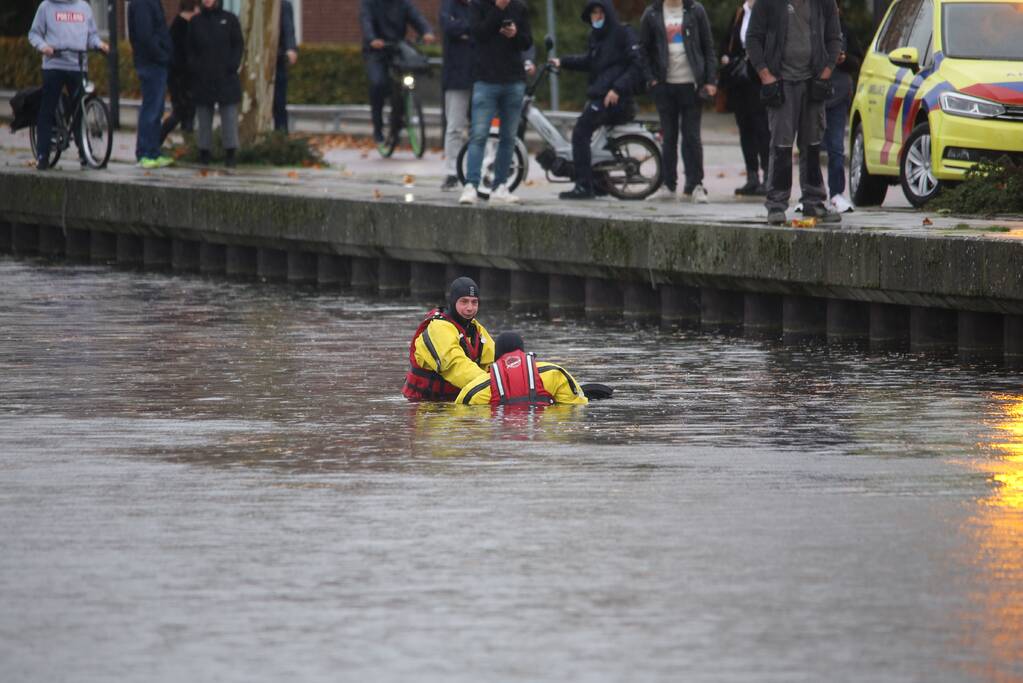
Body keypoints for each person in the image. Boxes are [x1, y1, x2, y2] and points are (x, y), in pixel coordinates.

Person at [745, 0, 843, 225]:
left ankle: (814, 201)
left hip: (814, 81)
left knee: (813, 144)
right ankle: (776, 204)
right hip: (781, 83)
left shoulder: (824, 3)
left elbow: (834, 37)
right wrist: (765, 74)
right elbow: (752, 39)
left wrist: (826, 71)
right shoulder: (767, 3)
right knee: (781, 145)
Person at [550, 0, 646, 200]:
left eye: (601, 12)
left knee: (580, 132)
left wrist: (617, 89)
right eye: (593, 13)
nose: (597, 17)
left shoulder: (623, 33)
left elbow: (637, 64)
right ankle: (598, 182)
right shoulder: (595, 37)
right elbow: (589, 61)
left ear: (608, 14)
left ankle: (584, 186)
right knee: (588, 135)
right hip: (601, 96)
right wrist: (562, 62)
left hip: (616, 99)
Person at [640, 0, 717, 203]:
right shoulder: (652, 13)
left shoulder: (695, 10)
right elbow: (644, 51)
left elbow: (708, 47)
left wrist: (710, 80)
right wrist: (652, 80)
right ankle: (668, 184)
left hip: (692, 85)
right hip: (665, 85)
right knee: (669, 137)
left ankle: (695, 185)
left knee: (692, 137)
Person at [459, 0, 533, 206]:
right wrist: (498, 10)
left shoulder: (520, 7)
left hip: (514, 80)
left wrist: (515, 34)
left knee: (509, 137)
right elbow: (478, 34)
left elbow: (527, 42)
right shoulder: (478, 5)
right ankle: (471, 185)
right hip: (485, 80)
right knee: (479, 135)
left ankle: (500, 186)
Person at [27, 0, 109, 171]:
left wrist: (99, 44)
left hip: (78, 65)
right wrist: (44, 47)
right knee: (48, 109)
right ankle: (43, 154)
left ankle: (85, 154)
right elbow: (34, 34)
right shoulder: (46, 7)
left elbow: (91, 35)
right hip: (54, 65)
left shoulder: (84, 7)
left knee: (81, 109)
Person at [402, 276, 496, 401]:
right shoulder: (438, 329)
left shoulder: (475, 329)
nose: (470, 308)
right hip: (426, 405)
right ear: (452, 301)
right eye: (464, 301)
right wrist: (494, 386)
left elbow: (494, 360)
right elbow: (455, 366)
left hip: (455, 401)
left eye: (474, 302)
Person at [359, 0, 436, 145]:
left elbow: (416, 17)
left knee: (404, 81)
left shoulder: (402, 3)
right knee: (378, 83)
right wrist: (372, 39)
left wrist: (426, 31)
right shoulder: (369, 3)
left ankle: (399, 116)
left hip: (396, 48)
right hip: (376, 51)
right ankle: (378, 127)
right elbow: (366, 20)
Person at [719, 0, 769, 196]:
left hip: (760, 81)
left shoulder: (768, 14)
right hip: (739, 83)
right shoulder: (739, 14)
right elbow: (726, 43)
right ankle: (752, 176)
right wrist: (725, 57)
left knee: (763, 129)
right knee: (745, 129)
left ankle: (768, 176)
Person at [456, 332, 589, 405]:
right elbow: (577, 405)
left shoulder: (474, 390)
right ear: (524, 353)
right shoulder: (554, 373)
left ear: (496, 357)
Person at [187, 0, 244, 167]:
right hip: (202, 79)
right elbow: (189, 49)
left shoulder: (230, 19)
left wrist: (232, 65)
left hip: (226, 78)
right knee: (204, 118)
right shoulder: (195, 22)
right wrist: (196, 67)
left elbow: (238, 45)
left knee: (229, 117)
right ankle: (204, 153)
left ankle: (230, 154)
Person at [822, 11, 863, 214]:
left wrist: (844, 59)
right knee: (808, 147)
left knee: (836, 147)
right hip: (813, 95)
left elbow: (857, 61)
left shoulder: (845, 29)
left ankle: (837, 193)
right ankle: (811, 194)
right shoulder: (809, 26)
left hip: (838, 96)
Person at [128, 0, 174, 168]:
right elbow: (145, 35)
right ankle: (145, 153)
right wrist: (162, 55)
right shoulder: (143, 3)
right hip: (151, 63)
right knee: (151, 109)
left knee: (156, 109)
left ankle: (153, 151)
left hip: (154, 62)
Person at [439, 0, 474, 191]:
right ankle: (452, 171)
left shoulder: (478, 5)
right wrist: (470, 29)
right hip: (456, 75)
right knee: (454, 126)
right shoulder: (448, 5)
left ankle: (477, 169)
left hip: (479, 74)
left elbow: (483, 29)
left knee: (480, 127)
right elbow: (448, 27)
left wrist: (464, 30)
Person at [160, 0, 200, 145]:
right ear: (194, 10)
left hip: (184, 78)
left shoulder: (182, 26)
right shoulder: (181, 28)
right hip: (180, 79)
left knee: (187, 113)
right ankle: (159, 138)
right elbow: (179, 57)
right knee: (181, 111)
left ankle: (188, 144)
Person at [273, 0, 298, 132]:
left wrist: (290, 48)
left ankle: (280, 138)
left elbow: (289, 29)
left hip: (277, 59)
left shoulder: (282, 5)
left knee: (279, 103)